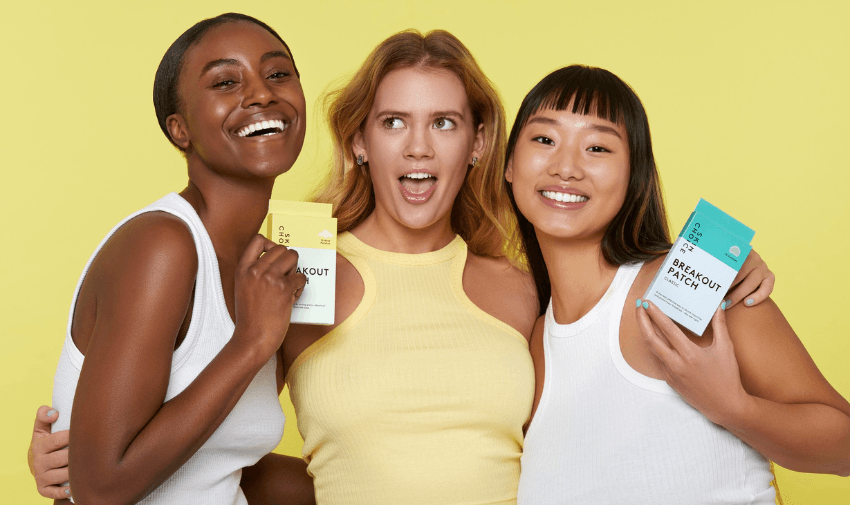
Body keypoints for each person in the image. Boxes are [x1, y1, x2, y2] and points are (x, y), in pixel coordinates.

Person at [30, 33, 776, 504]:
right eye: (394, 123)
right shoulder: (299, 267)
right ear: (360, 141)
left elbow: (605, 377)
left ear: (480, 144)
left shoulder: (522, 286)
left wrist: (721, 270)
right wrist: (74, 455)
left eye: (444, 123)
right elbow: (219, 446)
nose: (419, 149)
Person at [504, 65, 850, 504]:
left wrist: (733, 408)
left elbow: (845, 446)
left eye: (597, 147)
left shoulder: (688, 282)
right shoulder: (532, 344)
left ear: (634, 178)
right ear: (510, 165)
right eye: (544, 139)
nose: (566, 167)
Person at [27, 13, 314, 505]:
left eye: (278, 73)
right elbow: (100, 488)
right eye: (226, 81)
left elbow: (221, 468)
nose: (263, 95)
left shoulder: (268, 271)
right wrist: (251, 342)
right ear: (179, 130)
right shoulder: (162, 245)